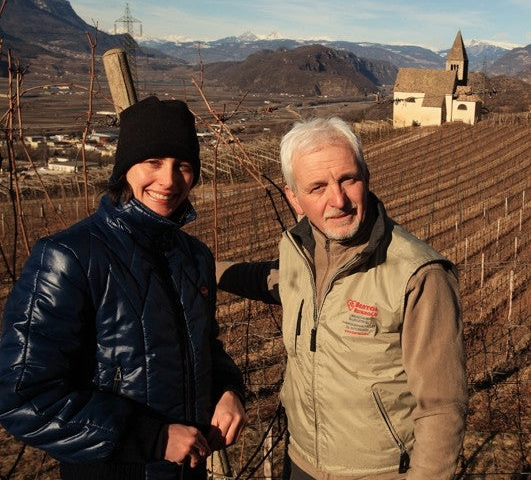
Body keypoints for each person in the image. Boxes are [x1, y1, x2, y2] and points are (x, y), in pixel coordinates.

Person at [0, 96, 247, 480]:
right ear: (124, 169)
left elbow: (204, 347)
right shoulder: (69, 257)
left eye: (183, 165)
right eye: (153, 162)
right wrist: (150, 439)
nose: (169, 180)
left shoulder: (195, 257)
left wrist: (229, 390)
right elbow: (23, 396)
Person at [217, 117, 468, 479]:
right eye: (317, 187)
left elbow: (442, 406)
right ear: (294, 198)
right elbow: (272, 280)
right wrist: (203, 267)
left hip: (379, 472)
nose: (338, 200)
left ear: (366, 177)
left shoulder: (418, 275)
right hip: (300, 460)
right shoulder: (298, 250)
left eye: (348, 179)